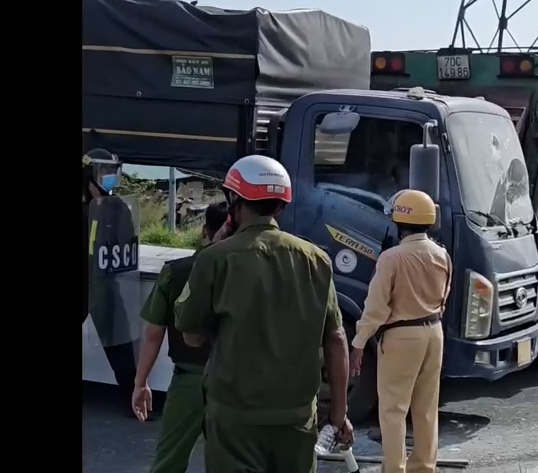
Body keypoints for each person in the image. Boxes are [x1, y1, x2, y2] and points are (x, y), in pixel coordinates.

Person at [175, 155, 355, 473]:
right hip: (297, 418)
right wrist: (339, 414)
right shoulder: (316, 259)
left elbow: (191, 335)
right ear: (280, 205)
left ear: (234, 201)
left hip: (235, 419)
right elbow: (336, 339)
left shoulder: (215, 259)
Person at [349, 189, 452, 473]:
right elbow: (445, 296)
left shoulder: (392, 258)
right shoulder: (441, 254)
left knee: (393, 410)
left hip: (401, 336)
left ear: (399, 221)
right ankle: (424, 467)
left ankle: (394, 468)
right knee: (426, 408)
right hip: (433, 331)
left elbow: (376, 307)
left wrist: (359, 341)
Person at [131, 202, 229, 473]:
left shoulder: (176, 271)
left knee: (169, 462)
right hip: (237, 383)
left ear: (203, 231)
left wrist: (141, 383)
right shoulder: (252, 271)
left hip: (189, 381)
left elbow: (153, 333)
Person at [82, 148, 139, 416]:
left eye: (112, 172)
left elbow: (127, 240)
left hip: (105, 284)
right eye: (104, 172)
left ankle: (134, 397)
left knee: (119, 342)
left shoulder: (117, 207)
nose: (109, 178)